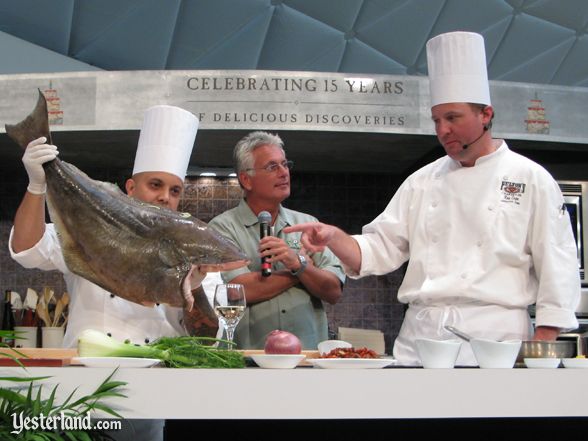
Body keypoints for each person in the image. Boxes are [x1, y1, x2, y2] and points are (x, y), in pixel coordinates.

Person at [284, 31, 580, 366]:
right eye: (437, 119)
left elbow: (558, 265)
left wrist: (542, 344)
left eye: (453, 118)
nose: (442, 130)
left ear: (485, 114)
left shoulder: (530, 178)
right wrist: (335, 237)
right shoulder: (422, 181)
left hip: (496, 344)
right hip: (420, 343)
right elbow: (381, 248)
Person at [9, 104, 222, 440]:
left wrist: (194, 288)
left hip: (151, 397)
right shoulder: (91, 233)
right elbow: (26, 250)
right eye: (155, 185)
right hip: (80, 394)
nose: (165, 197)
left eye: (175, 190)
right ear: (131, 189)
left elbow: (206, 340)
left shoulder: (198, 252)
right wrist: (37, 186)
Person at [208, 131, 345, 349]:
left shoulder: (308, 224)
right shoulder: (222, 228)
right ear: (246, 179)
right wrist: (300, 268)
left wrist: (296, 263)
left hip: (306, 357)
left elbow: (333, 290)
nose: (284, 173)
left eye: (285, 164)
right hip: (248, 358)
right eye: (272, 167)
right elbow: (238, 292)